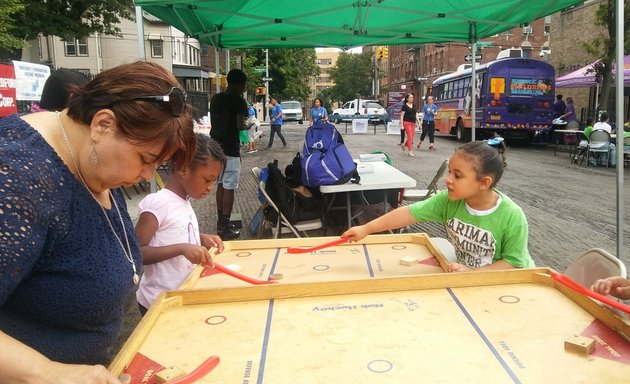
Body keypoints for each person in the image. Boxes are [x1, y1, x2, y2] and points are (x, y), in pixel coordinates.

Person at [0, 61, 195, 383]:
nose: (148, 176)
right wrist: (45, 372)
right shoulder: (17, 177)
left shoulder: (89, 159)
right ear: (103, 124)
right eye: (146, 160)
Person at [342, 141, 535, 272]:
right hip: (469, 279)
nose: (448, 180)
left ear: (484, 182)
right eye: (450, 172)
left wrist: (473, 273)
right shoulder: (447, 200)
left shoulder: (512, 216)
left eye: (457, 176)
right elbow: (408, 213)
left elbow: (513, 263)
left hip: (510, 283)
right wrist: (366, 228)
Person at [135, 134, 226, 315]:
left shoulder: (183, 201)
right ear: (184, 170)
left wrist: (201, 240)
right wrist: (182, 248)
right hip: (158, 302)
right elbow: (136, 251)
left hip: (180, 295)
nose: (210, 187)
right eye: (207, 179)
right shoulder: (158, 203)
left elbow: (173, 233)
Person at [210, 69, 249, 240]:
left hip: (215, 147)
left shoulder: (216, 98)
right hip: (230, 149)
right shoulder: (239, 101)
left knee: (220, 184)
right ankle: (225, 227)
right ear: (240, 84)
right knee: (229, 187)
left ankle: (220, 222)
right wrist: (250, 125)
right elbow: (240, 125)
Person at [399, 93, 420, 157]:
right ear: (407, 99)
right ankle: (410, 151)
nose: (412, 99)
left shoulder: (414, 106)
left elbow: (416, 114)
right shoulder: (404, 106)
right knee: (410, 137)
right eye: (410, 97)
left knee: (412, 137)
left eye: (412, 97)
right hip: (406, 122)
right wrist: (402, 125)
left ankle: (404, 144)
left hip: (413, 123)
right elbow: (402, 116)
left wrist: (418, 122)